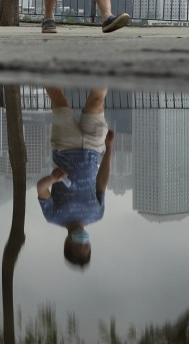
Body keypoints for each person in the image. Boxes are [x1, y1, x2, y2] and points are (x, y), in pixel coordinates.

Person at [37, 86, 114, 269]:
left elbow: (41, 189)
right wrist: (109, 148)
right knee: (97, 98)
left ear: (67, 244)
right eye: (86, 245)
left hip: (65, 146)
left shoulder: (53, 216)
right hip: (94, 148)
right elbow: (102, 183)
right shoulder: (97, 214)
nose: (82, 242)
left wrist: (52, 179)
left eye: (77, 245)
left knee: (59, 101)